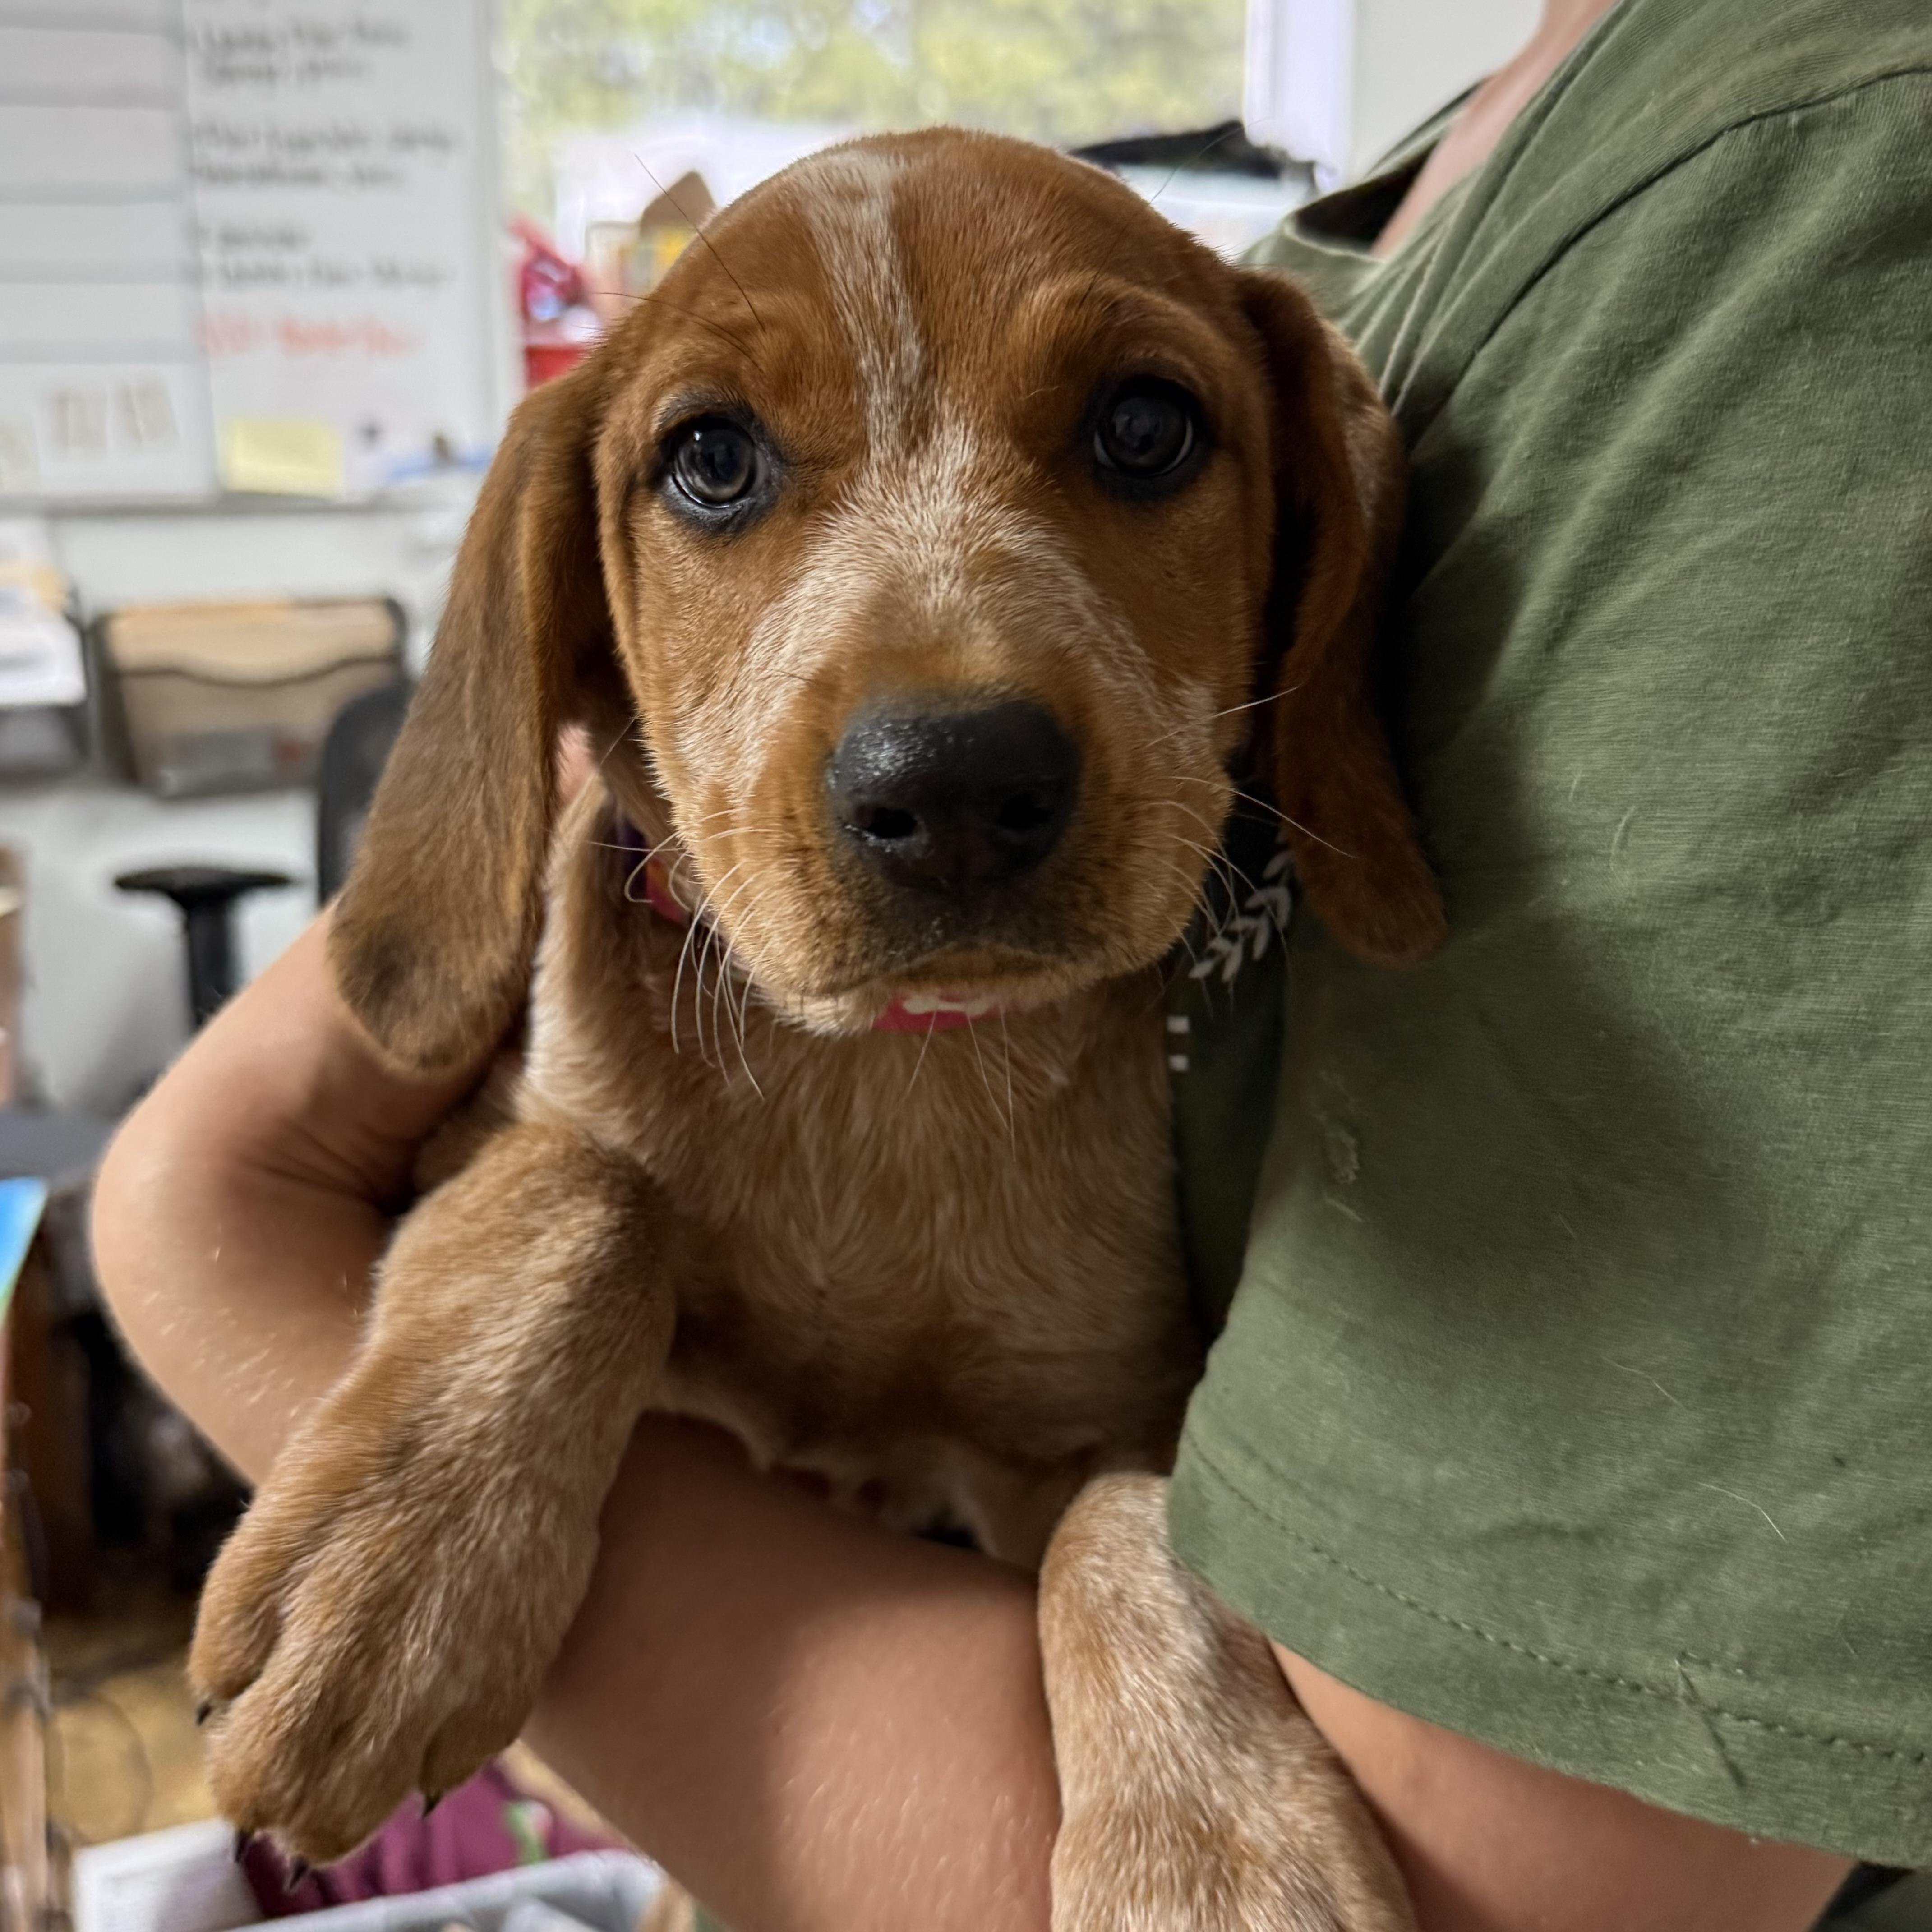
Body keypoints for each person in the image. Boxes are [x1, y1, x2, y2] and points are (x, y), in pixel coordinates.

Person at [91, 0, 1932, 1925]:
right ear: (577, 608)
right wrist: (536, 1276)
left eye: (1137, 434)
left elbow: (1141, 1466)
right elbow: (455, 1072)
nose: (939, 720)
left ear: (1319, 540)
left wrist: (1132, 1585)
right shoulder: (1415, 207)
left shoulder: (1801, 185)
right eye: (717, 464)